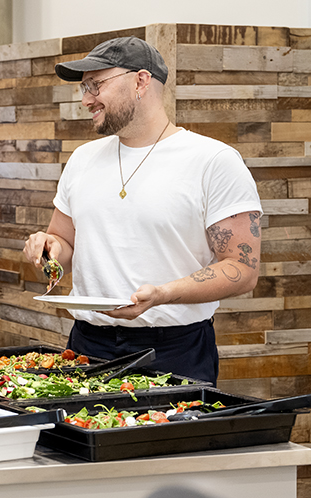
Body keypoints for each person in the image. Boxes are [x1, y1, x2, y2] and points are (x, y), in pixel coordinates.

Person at [22, 36, 262, 384]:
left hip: (175, 351)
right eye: (84, 87)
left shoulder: (213, 161)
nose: (87, 99)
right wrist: (49, 250)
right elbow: (64, 242)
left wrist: (162, 295)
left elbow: (242, 268)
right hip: (87, 344)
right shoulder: (83, 160)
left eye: (96, 85)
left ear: (140, 81)